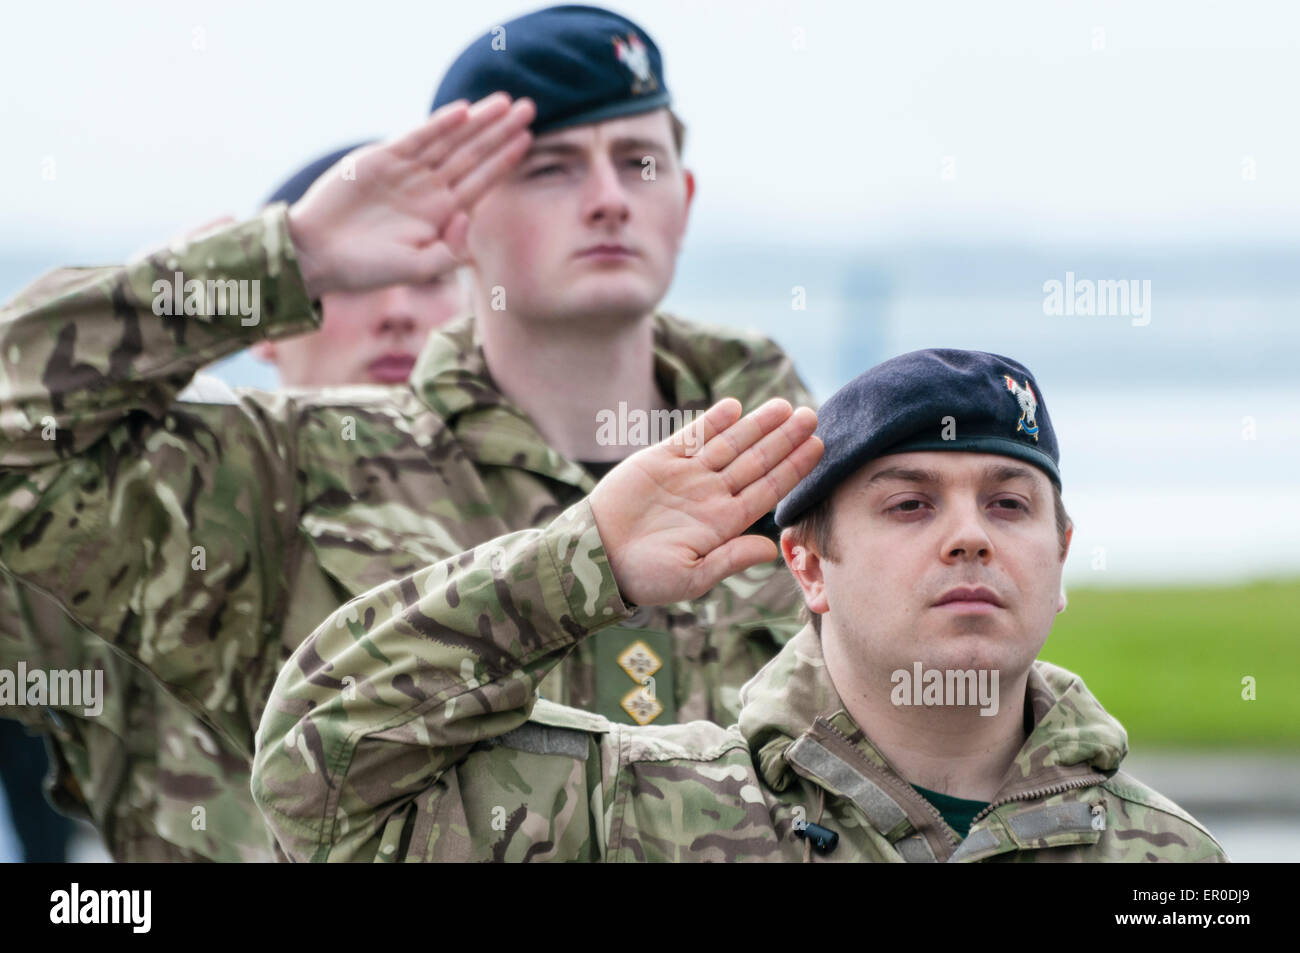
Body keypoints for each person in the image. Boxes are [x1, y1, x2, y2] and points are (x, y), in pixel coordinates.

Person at [0, 5, 813, 862]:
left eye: (639, 162)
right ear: (454, 218)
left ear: (683, 199)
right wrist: (289, 256)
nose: (608, 198)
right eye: (551, 168)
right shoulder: (296, 469)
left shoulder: (837, 488)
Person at [252, 349, 1228, 863]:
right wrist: (579, 561)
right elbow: (320, 782)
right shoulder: (633, 812)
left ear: (1055, 559)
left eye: (1008, 503)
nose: (968, 533)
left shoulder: (1167, 859)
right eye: (909, 502)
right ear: (807, 565)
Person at [0, 145, 471, 862]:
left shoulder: (548, 524)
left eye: (431, 278)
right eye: (349, 280)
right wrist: (181, 297)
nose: (397, 313)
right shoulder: (140, 522)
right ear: (269, 323)